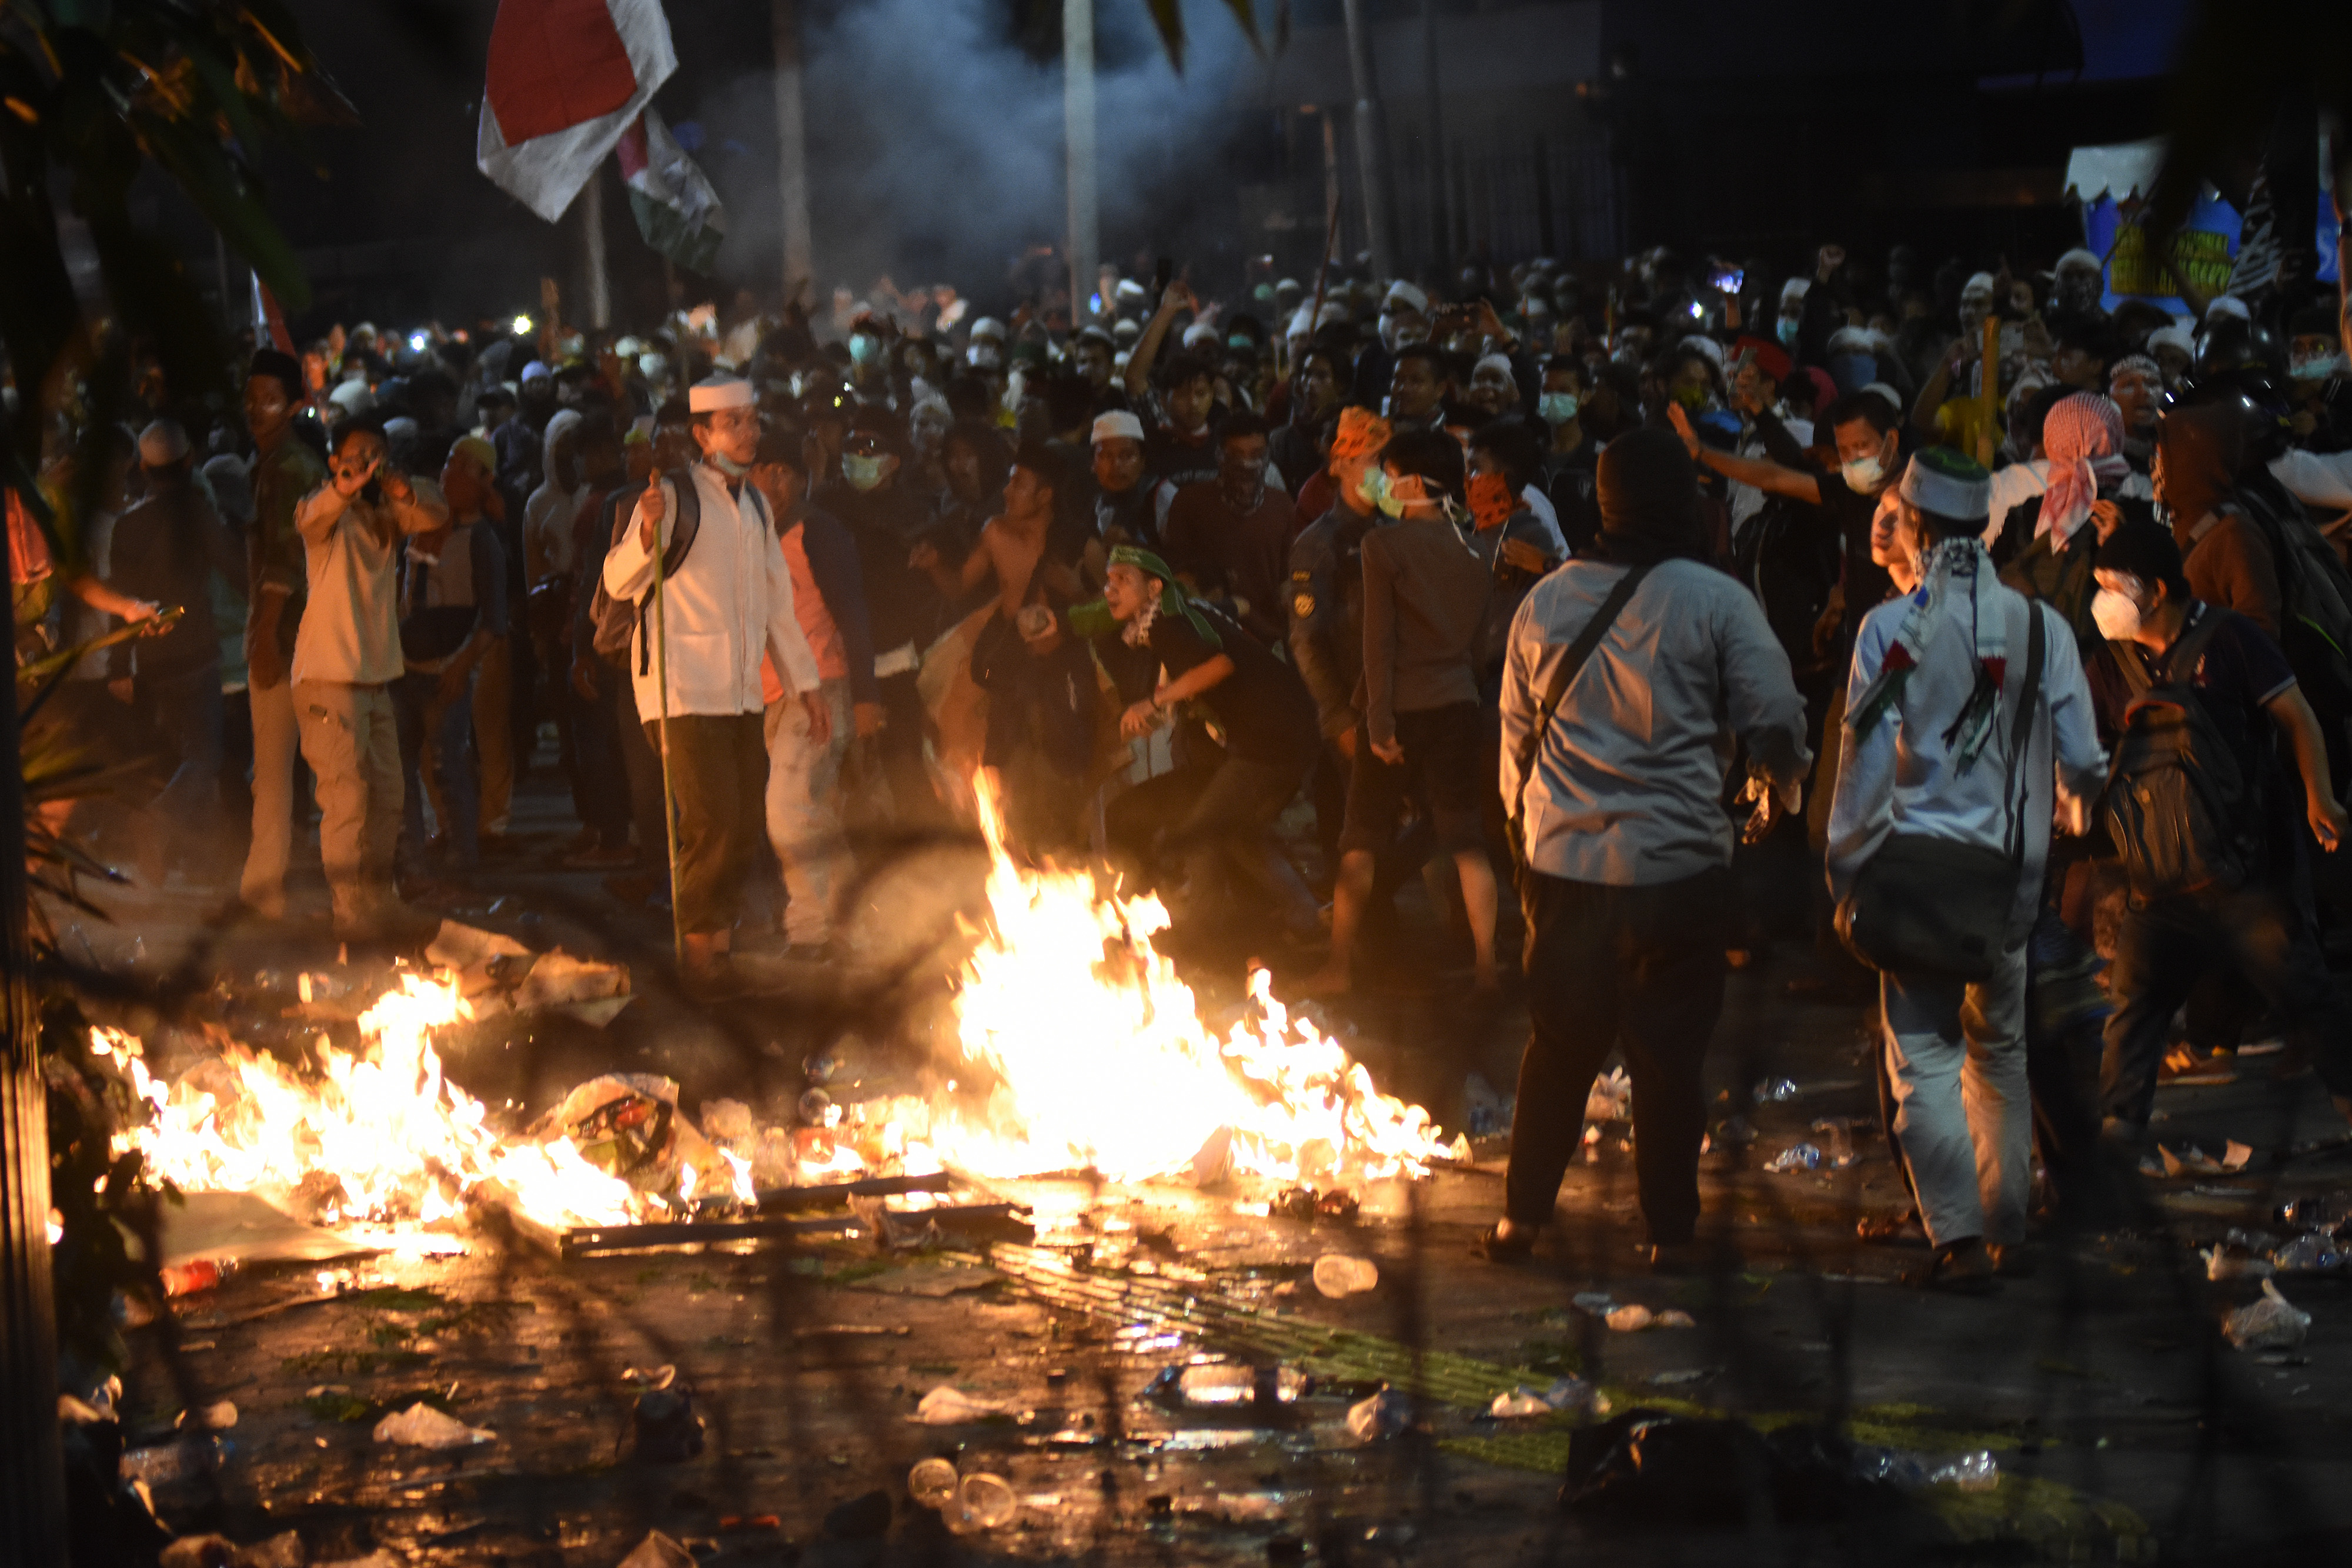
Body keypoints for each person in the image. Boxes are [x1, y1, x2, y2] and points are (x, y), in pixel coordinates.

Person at [1478, 429, 1812, 1272]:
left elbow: (1514, 741)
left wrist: (1530, 832)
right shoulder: (1717, 599)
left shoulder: (1547, 600)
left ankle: (1520, 1222)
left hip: (1563, 870)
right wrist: (1783, 785)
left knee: (1557, 1048)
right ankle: (1669, 1234)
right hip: (1677, 871)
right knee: (1668, 1060)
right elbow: (1774, 715)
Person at [1826, 450, 2107, 1291]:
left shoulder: (1892, 629)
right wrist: (2071, 806)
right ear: (1987, 526)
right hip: (2011, 881)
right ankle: (2006, 1230)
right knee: (2002, 1053)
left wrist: (1847, 867)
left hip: (1916, 875)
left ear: (1913, 523)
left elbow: (1865, 753)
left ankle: (1954, 1237)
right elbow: (2086, 757)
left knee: (1922, 1060)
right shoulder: (2040, 626)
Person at [2087, 519, 2352, 1148]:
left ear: (2155, 588)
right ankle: (2116, 1143)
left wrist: (2320, 797)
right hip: (2158, 875)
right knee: (2135, 1010)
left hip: (2243, 865)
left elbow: (2296, 715)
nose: (2104, 598)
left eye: (2114, 585)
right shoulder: (2112, 661)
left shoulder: (2229, 637)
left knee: (2305, 996)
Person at [602, 377, 828, 997]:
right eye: (734, 423)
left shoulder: (755, 505)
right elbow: (621, 580)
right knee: (712, 824)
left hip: (739, 692)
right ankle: (699, 959)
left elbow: (777, 603)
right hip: (681, 690)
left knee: (740, 825)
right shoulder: (672, 495)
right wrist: (646, 533)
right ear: (702, 436)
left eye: (752, 421)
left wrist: (804, 684)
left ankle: (716, 951)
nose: (749, 433)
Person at [1298, 429, 1503, 995]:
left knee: (1359, 840)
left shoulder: (1382, 547)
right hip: (1458, 703)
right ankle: (1489, 969)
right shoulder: (1476, 550)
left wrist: (1380, 724)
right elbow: (1479, 645)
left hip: (1397, 708)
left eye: (1388, 475)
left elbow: (1378, 645)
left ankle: (1338, 967)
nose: (1381, 484)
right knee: (1467, 840)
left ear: (1413, 484)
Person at [1037, 546, 1322, 944]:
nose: (1111, 589)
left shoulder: (1166, 624)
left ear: (1154, 587)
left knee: (1198, 830)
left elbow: (1220, 665)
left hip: (1272, 741)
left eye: (1124, 580)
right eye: (1108, 580)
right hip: (1287, 732)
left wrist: (1154, 701)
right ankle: (1300, 918)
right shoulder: (1175, 615)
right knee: (1236, 831)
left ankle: (1215, 931)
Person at [291, 415, 450, 945]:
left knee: (388, 794)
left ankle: (380, 900)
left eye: (375, 455)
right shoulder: (324, 507)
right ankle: (350, 913)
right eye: (356, 456)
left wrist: (399, 487)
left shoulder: (388, 511)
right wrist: (345, 487)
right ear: (335, 462)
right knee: (346, 799)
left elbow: (435, 514)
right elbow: (310, 521)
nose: (366, 465)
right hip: (327, 676)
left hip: (377, 675)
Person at [748, 426, 880, 957]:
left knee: (787, 809)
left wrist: (867, 698)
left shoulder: (817, 532)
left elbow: (853, 614)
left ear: (802, 481)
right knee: (815, 812)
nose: (776, 483)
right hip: (773, 695)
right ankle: (856, 922)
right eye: (767, 471)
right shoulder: (749, 536)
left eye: (787, 474)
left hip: (820, 690)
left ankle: (809, 929)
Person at [105, 419, 244, 887]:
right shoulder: (197, 516)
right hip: (197, 651)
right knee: (204, 757)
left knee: (189, 757)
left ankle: (198, 862)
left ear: (143, 468)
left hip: (153, 660)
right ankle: (156, 821)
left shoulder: (127, 524)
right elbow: (234, 568)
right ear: (188, 464)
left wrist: (119, 666)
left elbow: (118, 600)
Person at [236, 348, 328, 922]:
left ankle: (265, 890)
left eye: (268, 399)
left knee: (276, 773)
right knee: (296, 772)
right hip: (303, 638)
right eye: (250, 399)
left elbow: (284, 562)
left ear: (294, 405)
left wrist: (266, 634)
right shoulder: (279, 463)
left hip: (292, 639)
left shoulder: (289, 466)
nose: (255, 410)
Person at [393, 437, 506, 874]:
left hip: (446, 670)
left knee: (449, 768)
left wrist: (461, 665)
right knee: (402, 771)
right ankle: (414, 862)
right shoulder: (420, 528)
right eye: (450, 462)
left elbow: (494, 619)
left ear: (486, 481)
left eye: (467, 467)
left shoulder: (481, 541)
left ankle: (463, 862)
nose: (453, 473)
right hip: (406, 668)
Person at [1162, 414, 1292, 646]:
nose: (1247, 464)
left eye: (1256, 455)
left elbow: (1287, 578)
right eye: (1237, 455)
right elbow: (1179, 575)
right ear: (1219, 456)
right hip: (1209, 633)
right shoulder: (1190, 504)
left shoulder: (1282, 506)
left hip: (1268, 637)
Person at [2154, 403, 2281, 637]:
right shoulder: (2180, 524)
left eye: (2164, 457)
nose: (2157, 468)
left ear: (2190, 461)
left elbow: (2260, 634)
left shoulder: (2235, 534)